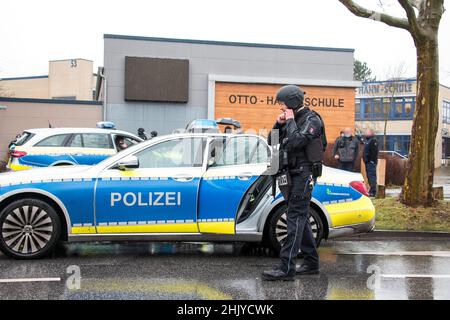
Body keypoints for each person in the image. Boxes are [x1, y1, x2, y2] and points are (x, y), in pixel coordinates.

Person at [263, 85, 325, 281]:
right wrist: (278, 124)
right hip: (292, 175)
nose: (281, 108)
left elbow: (298, 141)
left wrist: (289, 120)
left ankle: (286, 268)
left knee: (295, 218)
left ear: (291, 102)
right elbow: (272, 142)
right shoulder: (290, 120)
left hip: (304, 175)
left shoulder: (311, 119)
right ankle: (311, 262)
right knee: (300, 218)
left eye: (282, 104)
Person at [363, 128, 379, 197]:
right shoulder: (368, 141)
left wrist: (372, 161)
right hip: (367, 162)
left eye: (367, 132)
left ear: (371, 133)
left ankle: (373, 191)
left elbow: (374, 152)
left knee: (372, 177)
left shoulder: (373, 141)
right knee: (369, 177)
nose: (365, 133)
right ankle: (371, 190)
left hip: (370, 162)